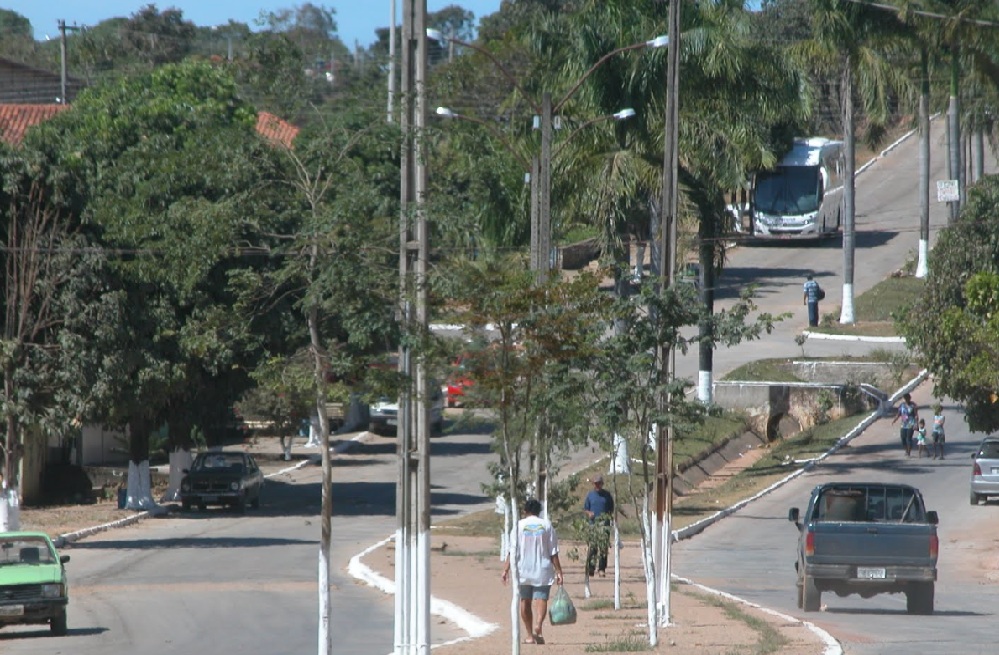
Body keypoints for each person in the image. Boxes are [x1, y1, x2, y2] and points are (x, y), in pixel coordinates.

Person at [501, 498, 563, 645]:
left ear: (525, 511)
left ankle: (529, 635)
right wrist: (559, 571)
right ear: (539, 511)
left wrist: (505, 570)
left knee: (525, 601)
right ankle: (539, 624)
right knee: (541, 598)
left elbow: (512, 551)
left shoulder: (518, 526)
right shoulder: (546, 525)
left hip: (523, 570)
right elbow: (553, 552)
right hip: (542, 569)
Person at [583, 474, 614, 578]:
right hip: (593, 524)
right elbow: (585, 509)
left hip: (604, 524)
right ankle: (590, 568)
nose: (597, 486)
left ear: (602, 484)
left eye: (599, 483)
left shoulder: (607, 495)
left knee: (603, 547)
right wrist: (589, 513)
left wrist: (608, 518)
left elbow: (611, 509)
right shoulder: (590, 495)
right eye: (595, 484)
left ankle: (601, 569)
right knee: (593, 547)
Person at [891, 393, 918, 457]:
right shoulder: (902, 405)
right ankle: (906, 450)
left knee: (909, 438)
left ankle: (909, 452)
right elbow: (899, 414)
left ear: (910, 398)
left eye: (908, 398)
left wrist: (916, 423)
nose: (907, 399)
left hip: (911, 423)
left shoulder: (913, 405)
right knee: (903, 438)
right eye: (906, 398)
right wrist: (894, 420)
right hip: (903, 424)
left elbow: (916, 415)